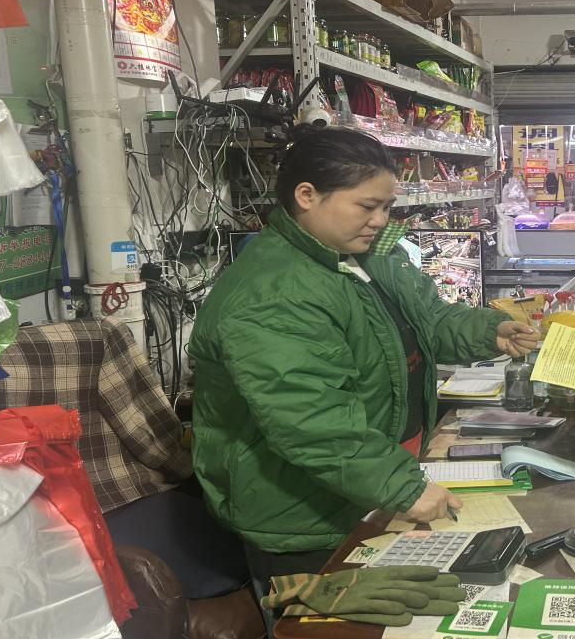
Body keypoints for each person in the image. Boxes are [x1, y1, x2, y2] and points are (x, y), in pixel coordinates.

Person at [188, 127, 539, 589]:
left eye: (387, 207)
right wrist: (402, 487)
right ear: (307, 196)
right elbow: (311, 418)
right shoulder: (274, 293)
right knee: (335, 619)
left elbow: (427, 319)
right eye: (367, 206)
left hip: (370, 484)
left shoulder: (364, 255)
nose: (379, 220)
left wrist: (489, 331)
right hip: (307, 516)